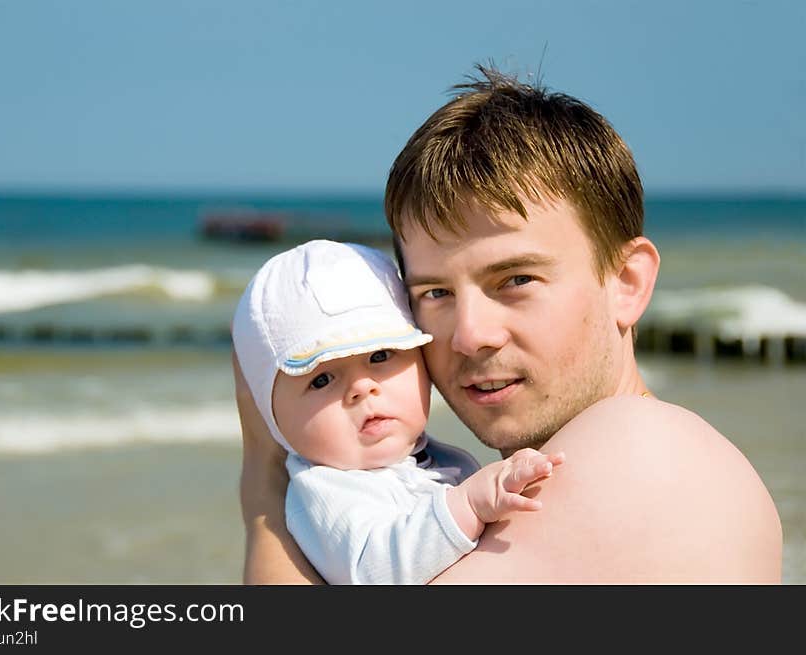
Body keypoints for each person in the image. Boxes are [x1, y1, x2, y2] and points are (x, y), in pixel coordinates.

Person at [235, 65, 783, 584]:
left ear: (626, 282)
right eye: (435, 293)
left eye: (516, 280)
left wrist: (265, 476)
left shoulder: (645, 449)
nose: (470, 334)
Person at [233, 239, 565, 584]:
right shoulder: (326, 491)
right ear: (273, 420)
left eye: (380, 356)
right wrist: (467, 505)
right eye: (321, 380)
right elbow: (376, 570)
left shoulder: (432, 460)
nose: (362, 388)